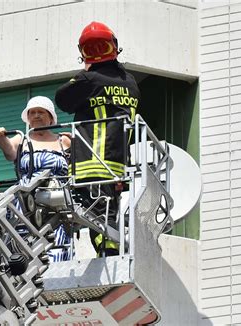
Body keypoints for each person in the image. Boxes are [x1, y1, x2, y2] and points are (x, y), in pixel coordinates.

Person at [54, 21, 141, 256]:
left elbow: (62, 99)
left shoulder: (90, 80)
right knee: (108, 211)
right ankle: (112, 249)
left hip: (92, 161)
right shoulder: (130, 81)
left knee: (97, 216)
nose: (93, 55)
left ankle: (109, 253)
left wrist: (86, 71)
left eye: (97, 49)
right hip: (118, 163)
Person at [0, 96, 72, 262]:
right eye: (32, 112)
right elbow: (9, 151)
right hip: (25, 202)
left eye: (41, 112)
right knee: (23, 244)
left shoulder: (63, 139)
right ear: (27, 118)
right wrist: (1, 137)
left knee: (56, 244)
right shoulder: (22, 139)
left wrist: (75, 140)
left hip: (56, 202)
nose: (36, 115)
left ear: (51, 117)